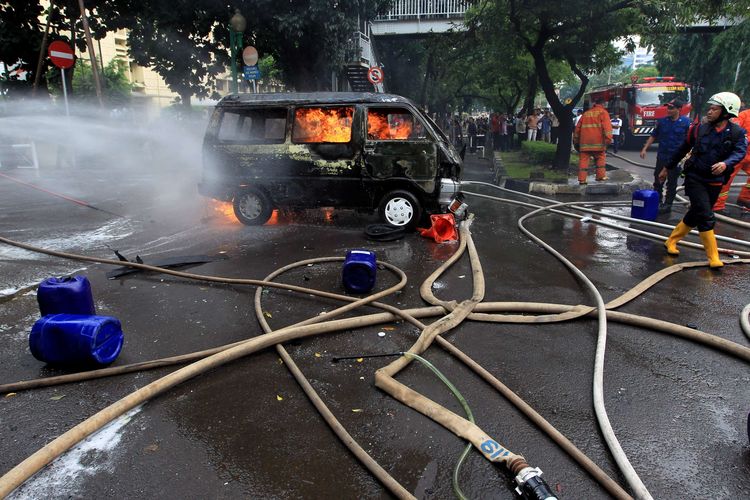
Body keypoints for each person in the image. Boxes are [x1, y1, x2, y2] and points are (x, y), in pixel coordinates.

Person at [660, 92, 747, 268]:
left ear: (726, 111)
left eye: (714, 109)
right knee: (706, 215)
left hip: (715, 181)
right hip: (695, 178)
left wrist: (726, 163)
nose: (709, 112)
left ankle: (671, 241)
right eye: (710, 108)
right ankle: (713, 257)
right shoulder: (699, 128)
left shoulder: (737, 133)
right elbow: (682, 149)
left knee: (695, 214)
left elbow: (740, 152)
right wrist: (667, 168)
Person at [639, 99, 692, 213]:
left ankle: (668, 204)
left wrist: (689, 154)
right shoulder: (662, 122)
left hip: (676, 158)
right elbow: (654, 135)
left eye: (671, 108)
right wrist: (645, 148)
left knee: (672, 182)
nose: (668, 110)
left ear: (679, 109)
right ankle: (657, 201)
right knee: (658, 180)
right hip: (662, 156)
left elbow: (690, 139)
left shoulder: (686, 122)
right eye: (668, 108)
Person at [713, 103, 750, 212]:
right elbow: (734, 132)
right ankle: (717, 206)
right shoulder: (744, 115)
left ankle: (745, 198)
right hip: (738, 153)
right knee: (726, 180)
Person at [573, 99, 612, 184]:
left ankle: (582, 180)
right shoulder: (603, 113)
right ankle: (600, 176)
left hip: (584, 143)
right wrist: (608, 141)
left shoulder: (586, 114)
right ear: (603, 104)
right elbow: (607, 129)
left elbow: (577, 129)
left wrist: (575, 140)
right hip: (598, 143)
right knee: (600, 158)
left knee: (583, 160)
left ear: (595, 104)